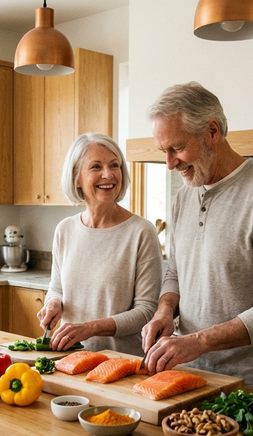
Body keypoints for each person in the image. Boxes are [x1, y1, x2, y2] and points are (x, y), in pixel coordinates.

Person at [140, 82, 253, 395]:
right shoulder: (183, 196)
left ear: (212, 131)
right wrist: (165, 312)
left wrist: (197, 342)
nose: (170, 163)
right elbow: (176, 273)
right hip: (189, 376)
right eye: (164, 151)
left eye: (176, 148)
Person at [38, 133, 163, 356]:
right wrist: (53, 303)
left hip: (123, 363)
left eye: (114, 165)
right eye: (96, 167)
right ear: (77, 177)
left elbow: (146, 311)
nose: (108, 174)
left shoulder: (141, 231)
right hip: (69, 358)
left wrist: (90, 328)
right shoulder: (64, 230)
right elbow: (56, 287)